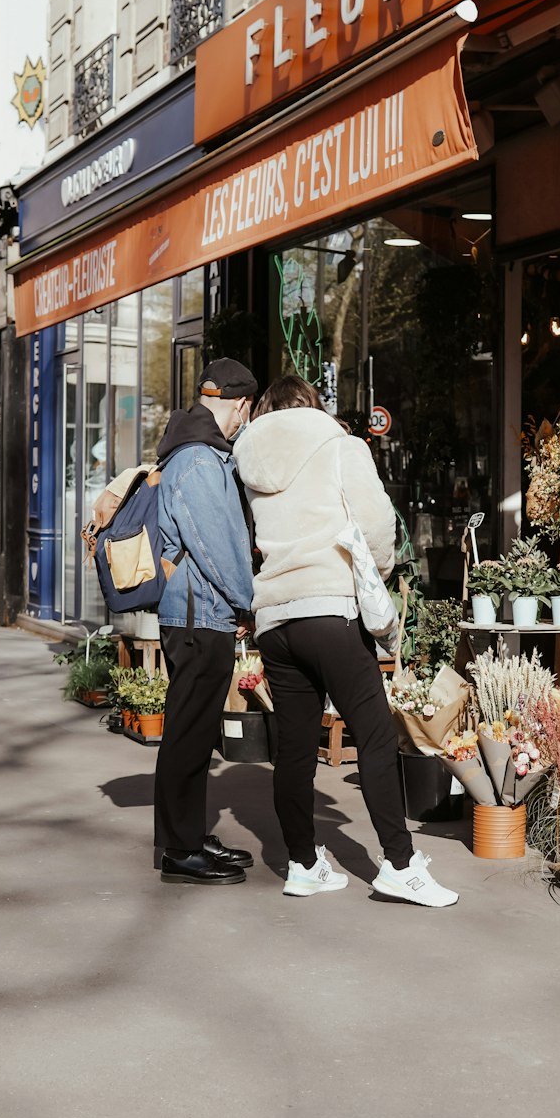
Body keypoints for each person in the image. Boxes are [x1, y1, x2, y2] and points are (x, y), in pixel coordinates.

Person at [236, 375, 458, 908]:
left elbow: (245, 535)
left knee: (294, 748)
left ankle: (303, 864)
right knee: (376, 736)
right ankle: (401, 866)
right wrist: (374, 572)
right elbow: (379, 524)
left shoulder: (247, 458)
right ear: (312, 406)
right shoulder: (339, 445)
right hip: (329, 609)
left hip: (276, 619)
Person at [154, 359, 258, 885]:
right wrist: (248, 602)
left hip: (200, 612)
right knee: (189, 733)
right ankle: (179, 847)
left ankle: (188, 832)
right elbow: (217, 546)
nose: (243, 423)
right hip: (199, 615)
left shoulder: (197, 453)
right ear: (239, 405)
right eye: (246, 412)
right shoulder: (198, 459)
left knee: (193, 730)